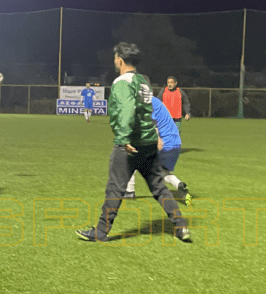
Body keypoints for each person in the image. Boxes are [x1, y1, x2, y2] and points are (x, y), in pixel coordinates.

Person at [77, 43, 191, 243]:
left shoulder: (123, 81)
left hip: (131, 144)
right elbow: (147, 112)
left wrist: (123, 138)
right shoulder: (143, 81)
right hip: (149, 143)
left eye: (115, 57)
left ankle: (101, 231)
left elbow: (127, 110)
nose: (114, 60)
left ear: (120, 60)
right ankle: (181, 226)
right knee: (159, 187)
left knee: (115, 188)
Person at [122, 97, 191, 204]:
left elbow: (152, 126)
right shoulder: (152, 100)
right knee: (160, 171)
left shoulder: (145, 103)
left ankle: (129, 191)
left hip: (164, 141)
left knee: (132, 158)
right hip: (174, 142)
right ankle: (179, 184)